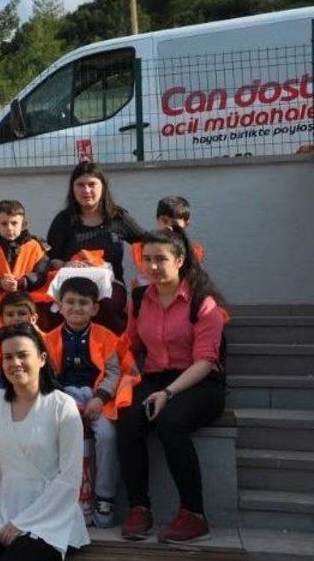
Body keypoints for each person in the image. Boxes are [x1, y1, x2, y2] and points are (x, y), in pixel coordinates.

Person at [117, 228, 227, 544]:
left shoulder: (203, 303)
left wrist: (168, 393)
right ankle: (139, 508)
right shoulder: (140, 298)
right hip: (155, 377)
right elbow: (131, 344)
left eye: (161, 259)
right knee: (127, 419)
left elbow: (205, 362)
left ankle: (194, 514)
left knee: (170, 421)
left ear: (179, 260)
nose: (152, 266)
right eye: (147, 259)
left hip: (200, 381)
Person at [0, 324, 89, 561]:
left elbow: (70, 477)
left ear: (42, 359)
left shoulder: (62, 405)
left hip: (52, 516)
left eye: (22, 355)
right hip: (5, 511)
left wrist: (25, 522)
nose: (15, 363)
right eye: (8, 357)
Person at [41, 277, 134, 528]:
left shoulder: (107, 337)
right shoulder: (49, 339)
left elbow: (114, 372)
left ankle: (104, 497)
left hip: (98, 398)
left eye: (83, 303)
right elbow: (47, 376)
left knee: (108, 435)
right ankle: (57, 494)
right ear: (60, 306)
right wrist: (66, 400)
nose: (76, 308)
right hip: (63, 399)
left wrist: (99, 398)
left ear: (94, 308)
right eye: (70, 302)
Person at [45, 162, 144, 332]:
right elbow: (49, 259)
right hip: (71, 288)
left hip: (111, 287)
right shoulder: (63, 220)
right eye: (80, 185)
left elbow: (147, 243)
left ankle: (113, 348)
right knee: (57, 312)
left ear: (103, 187)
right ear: (72, 189)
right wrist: (66, 265)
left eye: (92, 184)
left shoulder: (118, 217)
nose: (86, 190)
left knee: (108, 307)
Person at [0, 200, 51, 334]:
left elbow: (41, 274)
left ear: (24, 224)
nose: (9, 228)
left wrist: (23, 282)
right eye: (4, 224)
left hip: (29, 316)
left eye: (14, 223)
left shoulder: (36, 247)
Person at [129, 196, 206, 289]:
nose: (169, 227)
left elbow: (195, 279)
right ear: (158, 220)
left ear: (186, 224)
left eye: (174, 223)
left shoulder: (193, 252)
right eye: (165, 221)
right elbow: (142, 274)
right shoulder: (143, 248)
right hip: (147, 292)